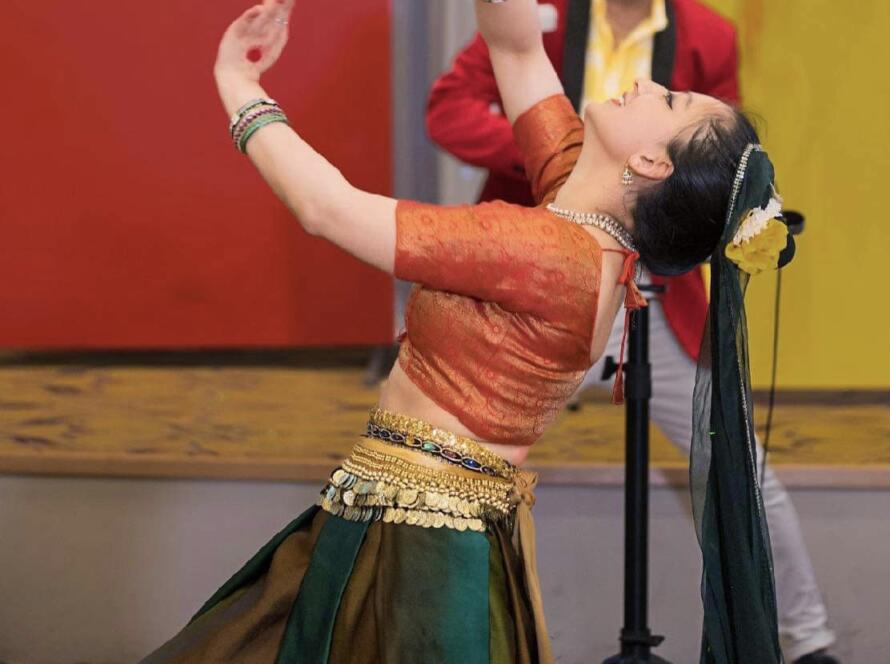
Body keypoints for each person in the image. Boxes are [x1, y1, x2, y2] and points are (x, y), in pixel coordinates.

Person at [142, 0, 792, 661]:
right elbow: (515, 47)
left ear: (653, 163)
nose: (649, 83)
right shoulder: (586, 216)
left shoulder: (546, 254)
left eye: (671, 99)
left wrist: (238, 83)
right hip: (409, 515)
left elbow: (327, 209)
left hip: (423, 549)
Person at [425, 2, 839, 663]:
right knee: (455, 458)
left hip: (658, 295)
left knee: (739, 464)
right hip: (540, 280)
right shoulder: (545, 14)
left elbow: (722, 161)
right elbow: (449, 111)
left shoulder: (708, 34)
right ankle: (432, 629)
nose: (652, 92)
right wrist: (557, 154)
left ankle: (807, 639)